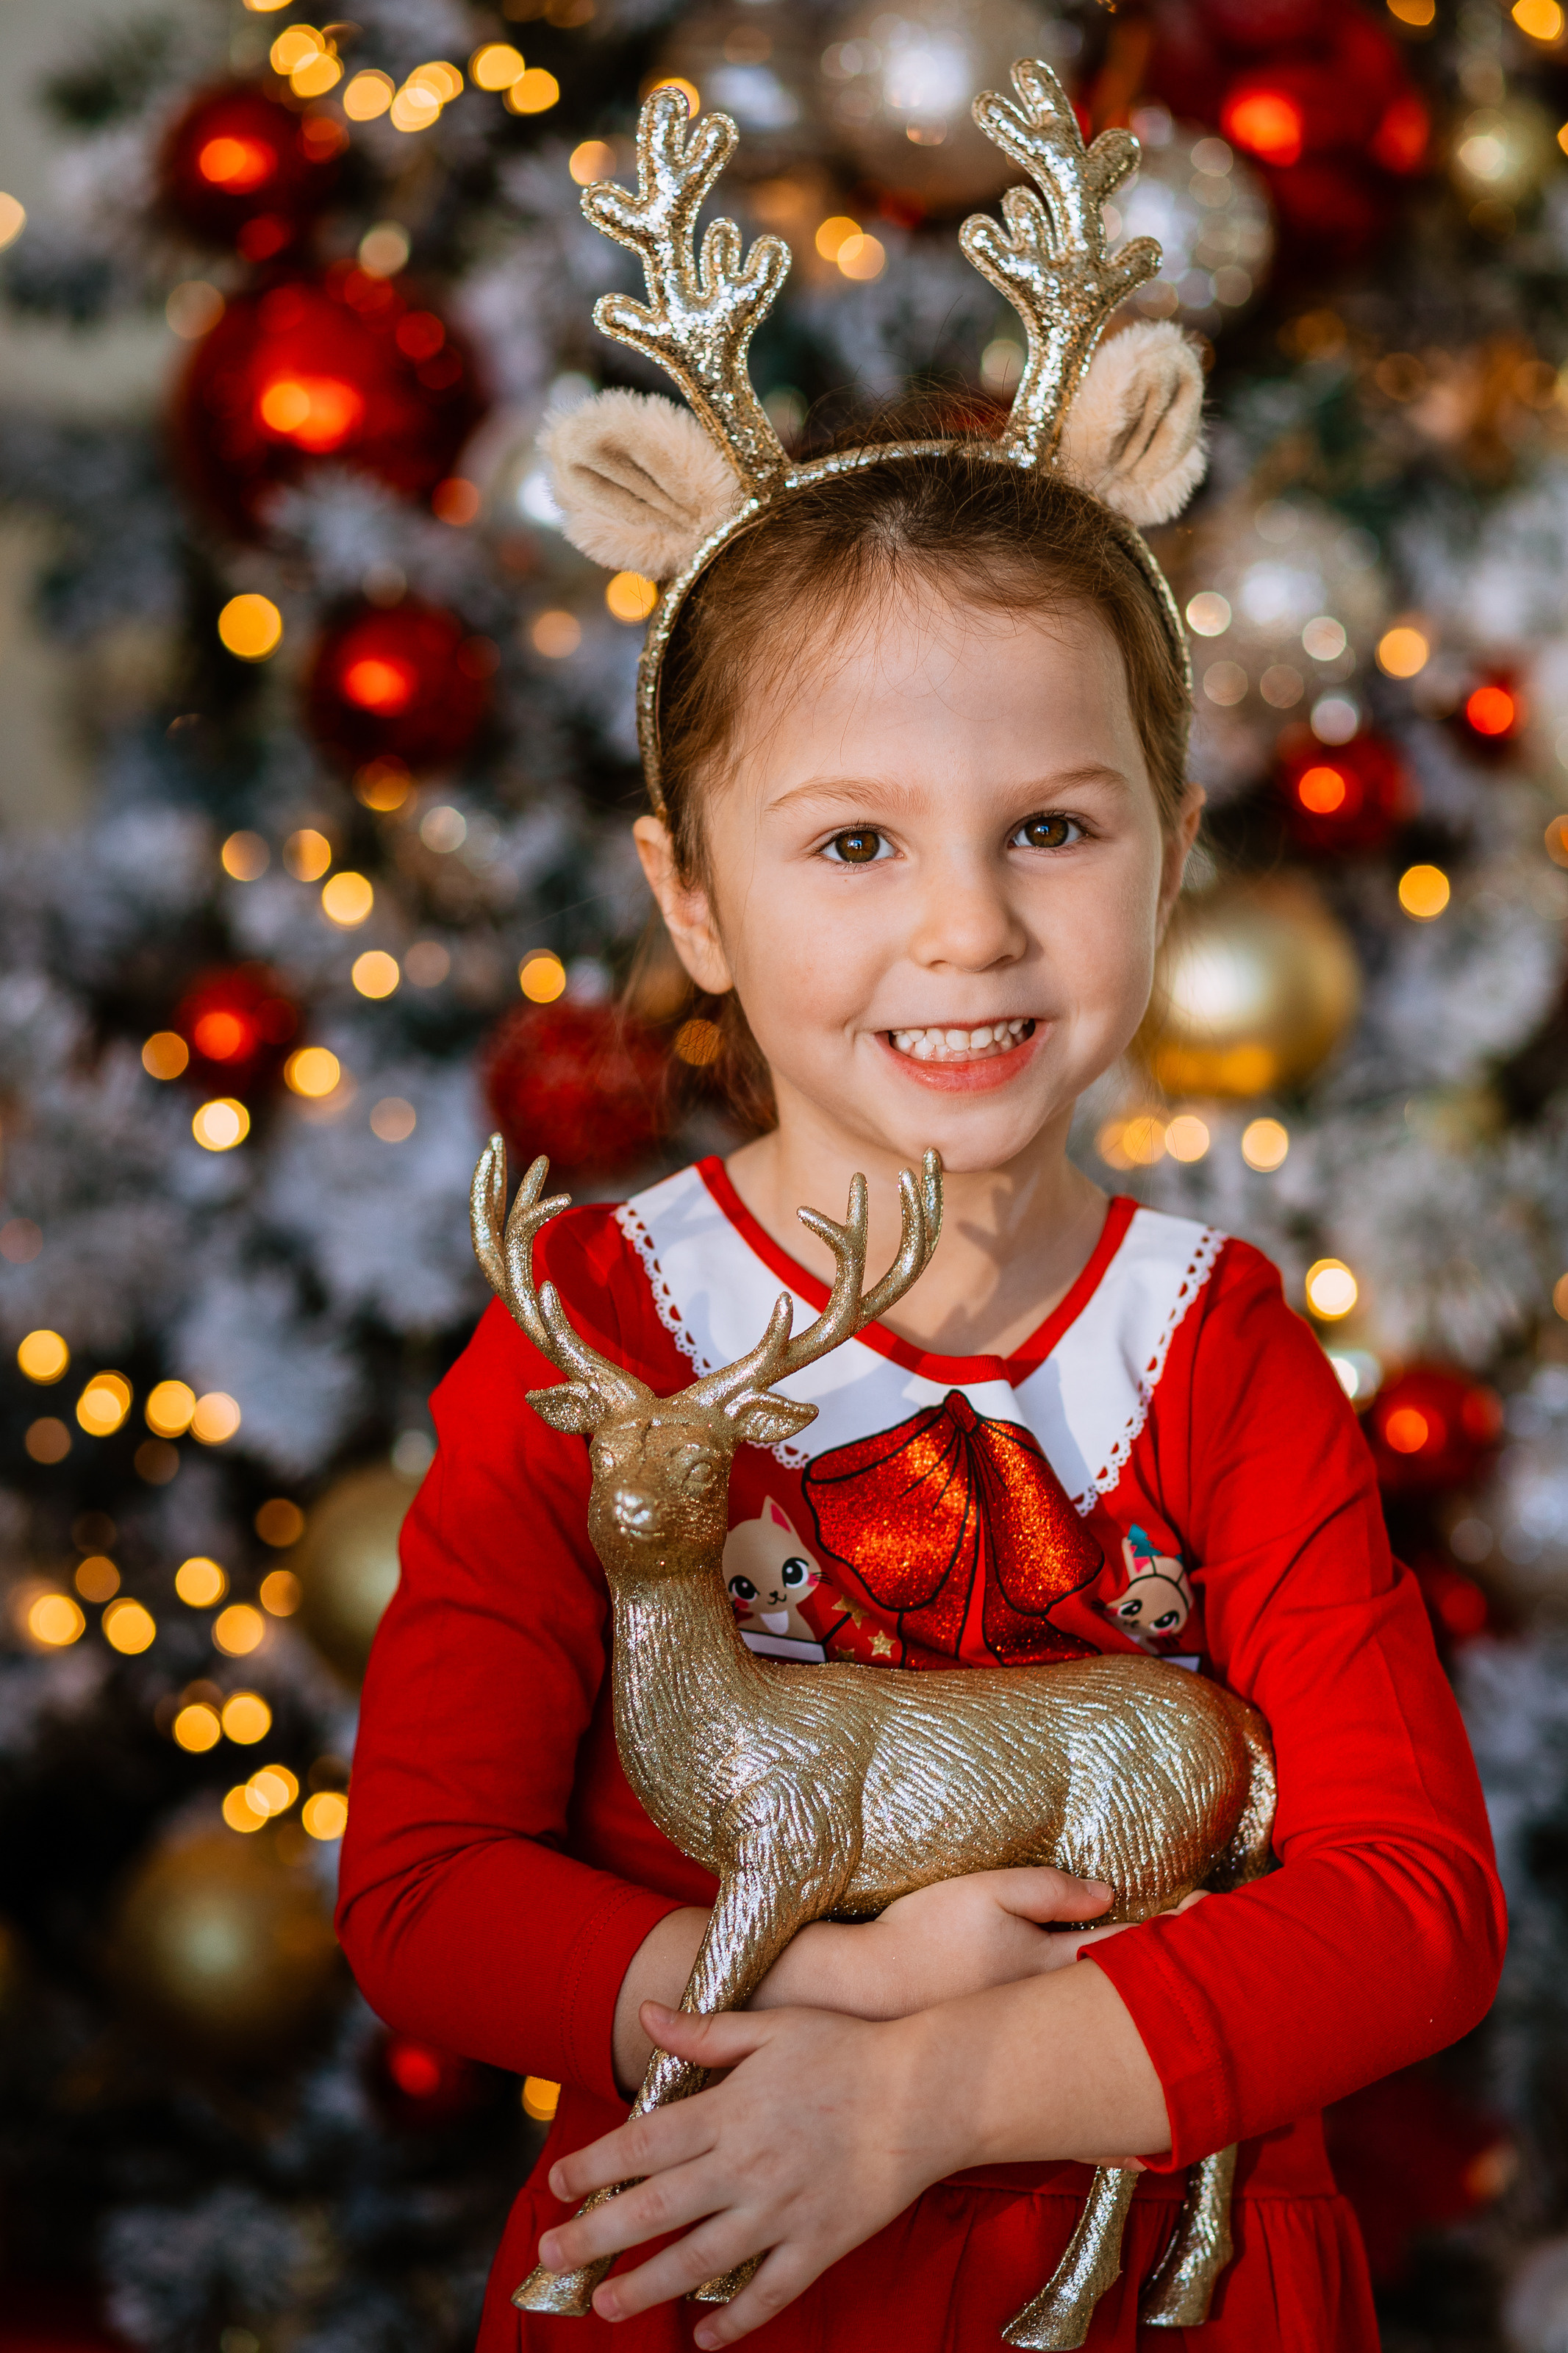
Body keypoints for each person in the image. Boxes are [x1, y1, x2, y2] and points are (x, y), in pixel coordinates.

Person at [336, 70, 1505, 2353]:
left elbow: (1414, 1905)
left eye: (1052, 830)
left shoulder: (1214, 1347)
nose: (964, 930)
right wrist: (821, 1996)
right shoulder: (599, 1334)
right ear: (692, 895)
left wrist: (943, 2090)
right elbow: (423, 1891)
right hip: (720, 2260)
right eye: (855, 843)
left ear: (1174, 853)